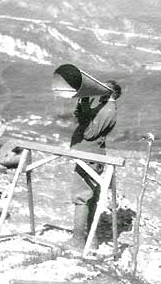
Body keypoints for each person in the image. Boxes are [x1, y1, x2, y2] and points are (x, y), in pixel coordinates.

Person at [64, 79, 122, 251]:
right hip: (88, 155)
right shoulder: (103, 107)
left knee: (82, 198)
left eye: (102, 89)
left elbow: (89, 133)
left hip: (89, 156)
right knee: (88, 198)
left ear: (110, 93)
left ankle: (77, 242)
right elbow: (84, 119)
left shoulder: (108, 110)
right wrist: (84, 103)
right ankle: (92, 240)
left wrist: (86, 107)